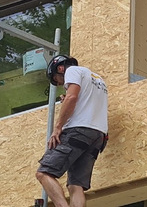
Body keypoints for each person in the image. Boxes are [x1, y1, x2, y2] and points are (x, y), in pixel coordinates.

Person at [36, 55, 108, 207]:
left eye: (57, 79)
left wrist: (58, 127)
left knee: (43, 173)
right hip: (98, 135)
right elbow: (85, 102)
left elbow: (72, 98)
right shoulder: (98, 79)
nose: (60, 84)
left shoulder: (72, 71)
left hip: (78, 131)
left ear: (60, 68)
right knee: (76, 185)